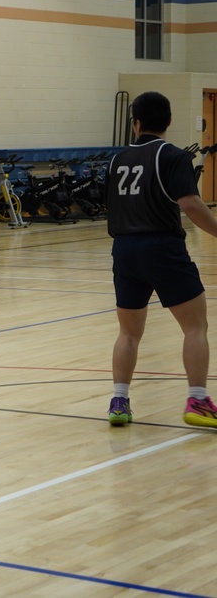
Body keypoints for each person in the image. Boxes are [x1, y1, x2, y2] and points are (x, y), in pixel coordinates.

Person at [106, 91, 217, 428]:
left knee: (128, 332)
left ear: (135, 123)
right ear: (169, 121)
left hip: (124, 249)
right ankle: (198, 401)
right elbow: (192, 204)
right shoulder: (172, 156)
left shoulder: (117, 160)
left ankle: (119, 400)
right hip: (162, 248)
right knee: (195, 326)